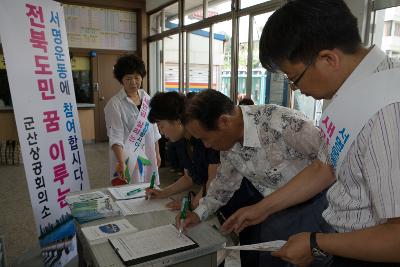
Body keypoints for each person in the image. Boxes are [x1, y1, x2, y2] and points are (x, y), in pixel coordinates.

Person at [237, 0, 400, 266]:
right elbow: (325, 167)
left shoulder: (386, 110)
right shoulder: (353, 92)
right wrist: (261, 208)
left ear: (328, 59)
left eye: (294, 78)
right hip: (346, 238)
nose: (295, 89)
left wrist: (316, 243)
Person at [177, 89, 334, 267]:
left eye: (205, 138)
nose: (206, 145)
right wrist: (198, 214)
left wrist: (261, 209)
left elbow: (332, 163)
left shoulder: (282, 123)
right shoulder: (228, 146)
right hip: (273, 214)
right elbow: (223, 185)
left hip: (316, 211)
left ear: (224, 121)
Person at [147, 91, 220, 209]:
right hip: (209, 200)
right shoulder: (180, 141)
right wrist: (163, 192)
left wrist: (191, 205)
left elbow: (214, 181)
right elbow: (189, 177)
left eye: (161, 126)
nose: (161, 132)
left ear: (177, 120)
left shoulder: (205, 139)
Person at [104, 54, 161, 186]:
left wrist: (157, 153)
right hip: (127, 156)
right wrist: (121, 161)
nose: (133, 82)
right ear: (121, 80)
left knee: (148, 187)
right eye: (128, 78)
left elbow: (154, 129)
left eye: (137, 77)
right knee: (129, 190)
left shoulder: (147, 98)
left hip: (148, 153)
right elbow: (115, 135)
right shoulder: (114, 104)